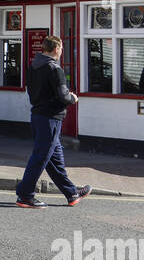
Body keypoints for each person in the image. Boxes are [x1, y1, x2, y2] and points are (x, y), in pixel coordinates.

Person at [16, 36, 91, 208]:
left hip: (37, 116)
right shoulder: (54, 69)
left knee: (54, 159)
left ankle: (71, 193)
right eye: (62, 48)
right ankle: (25, 195)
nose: (62, 51)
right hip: (50, 119)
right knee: (40, 157)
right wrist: (73, 98)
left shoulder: (33, 66)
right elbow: (63, 95)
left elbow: (32, 92)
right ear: (56, 48)